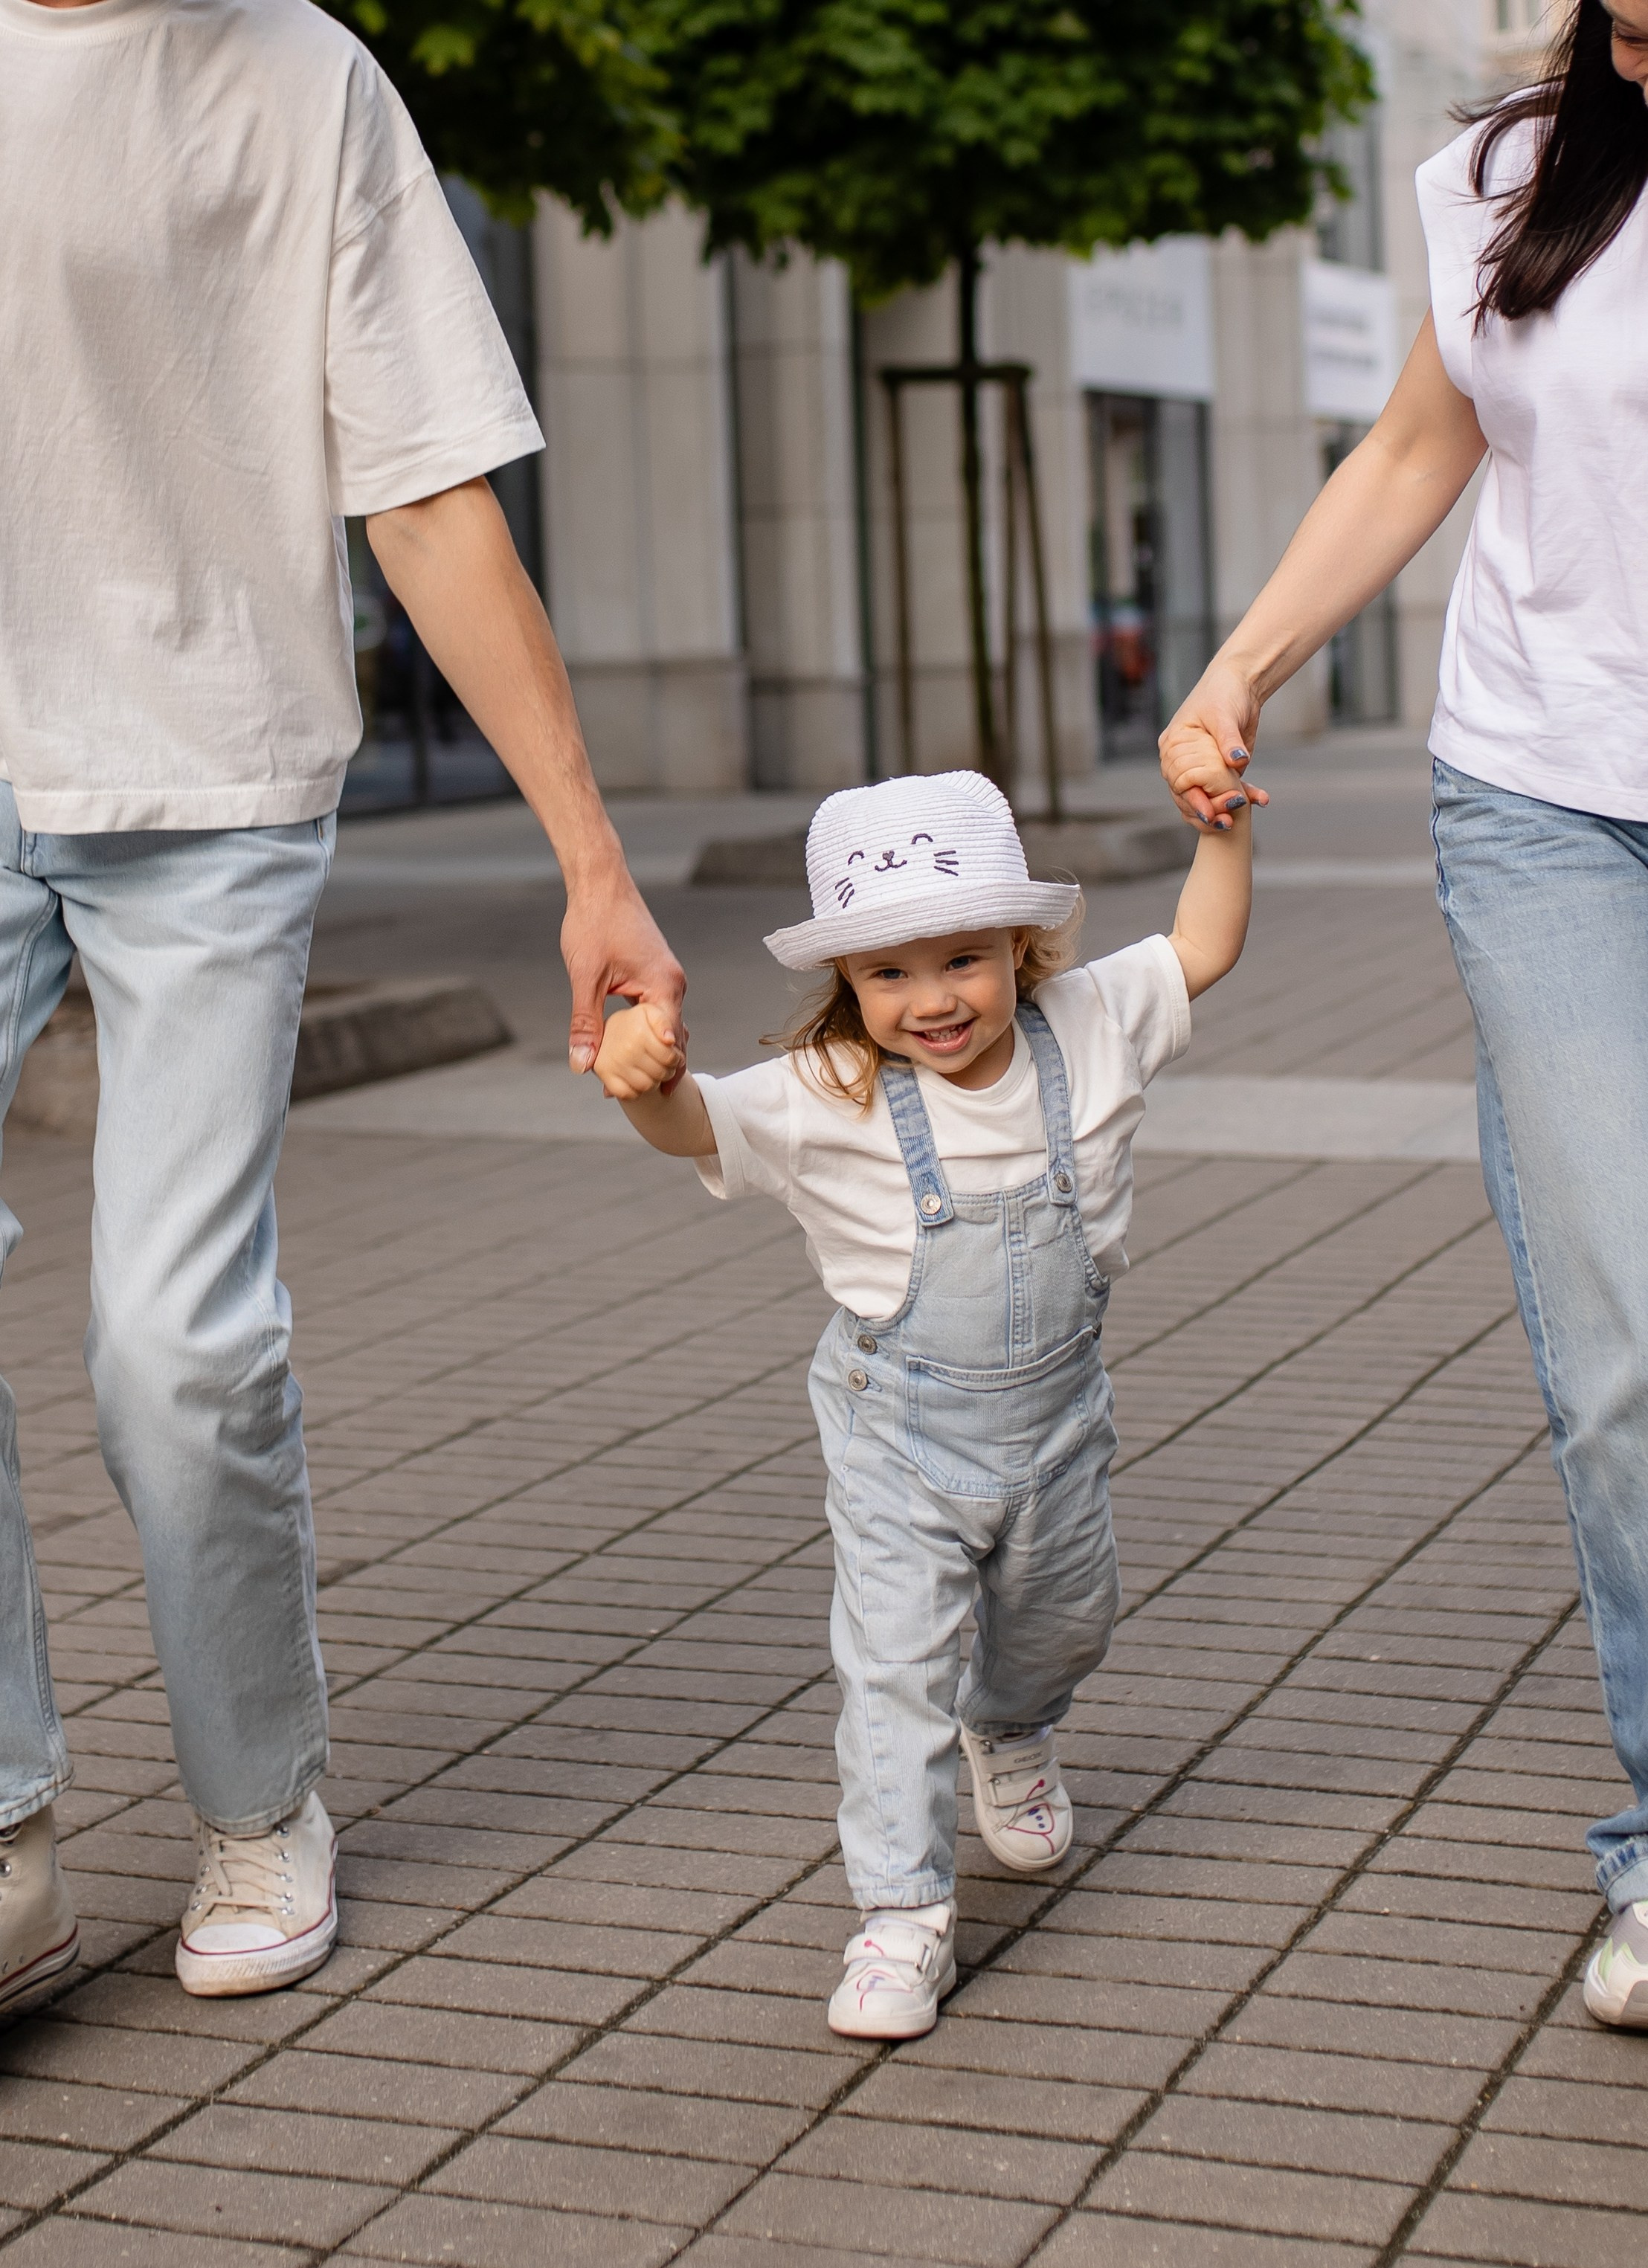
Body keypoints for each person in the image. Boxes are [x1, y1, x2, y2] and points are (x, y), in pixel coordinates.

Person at [0, 0, 683, 2008]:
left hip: (208, 769)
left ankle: (256, 1796)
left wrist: (591, 860)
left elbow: (425, 491)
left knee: (174, 1338)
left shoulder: (304, 81)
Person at [1159, 0, 1648, 2032]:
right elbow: (1421, 443)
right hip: (1547, 795)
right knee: (1628, 1344)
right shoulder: (1508, 174)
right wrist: (1239, 667)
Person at [593, 771, 1251, 2037]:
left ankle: (1013, 1730)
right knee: (893, 1667)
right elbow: (699, 1129)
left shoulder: (1095, 1022)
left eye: (964, 959)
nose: (933, 1000)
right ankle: (897, 1916)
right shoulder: (827, 1088)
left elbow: (1205, 945)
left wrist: (1224, 830)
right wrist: (642, 1081)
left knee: (1066, 1617)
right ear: (849, 984)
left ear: (1022, 946)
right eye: (890, 975)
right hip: (896, 1433)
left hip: (1058, 1424)